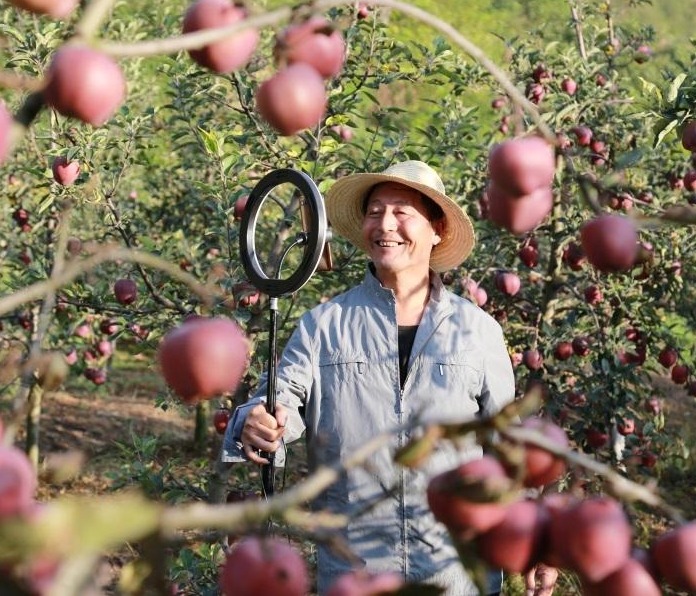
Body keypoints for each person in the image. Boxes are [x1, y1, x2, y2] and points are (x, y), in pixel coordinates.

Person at [222, 160, 556, 596]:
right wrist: (257, 421)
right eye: (375, 211)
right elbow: (282, 398)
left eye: (402, 212)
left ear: (437, 229)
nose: (385, 224)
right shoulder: (324, 325)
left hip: (456, 571)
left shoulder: (477, 331)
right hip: (355, 571)